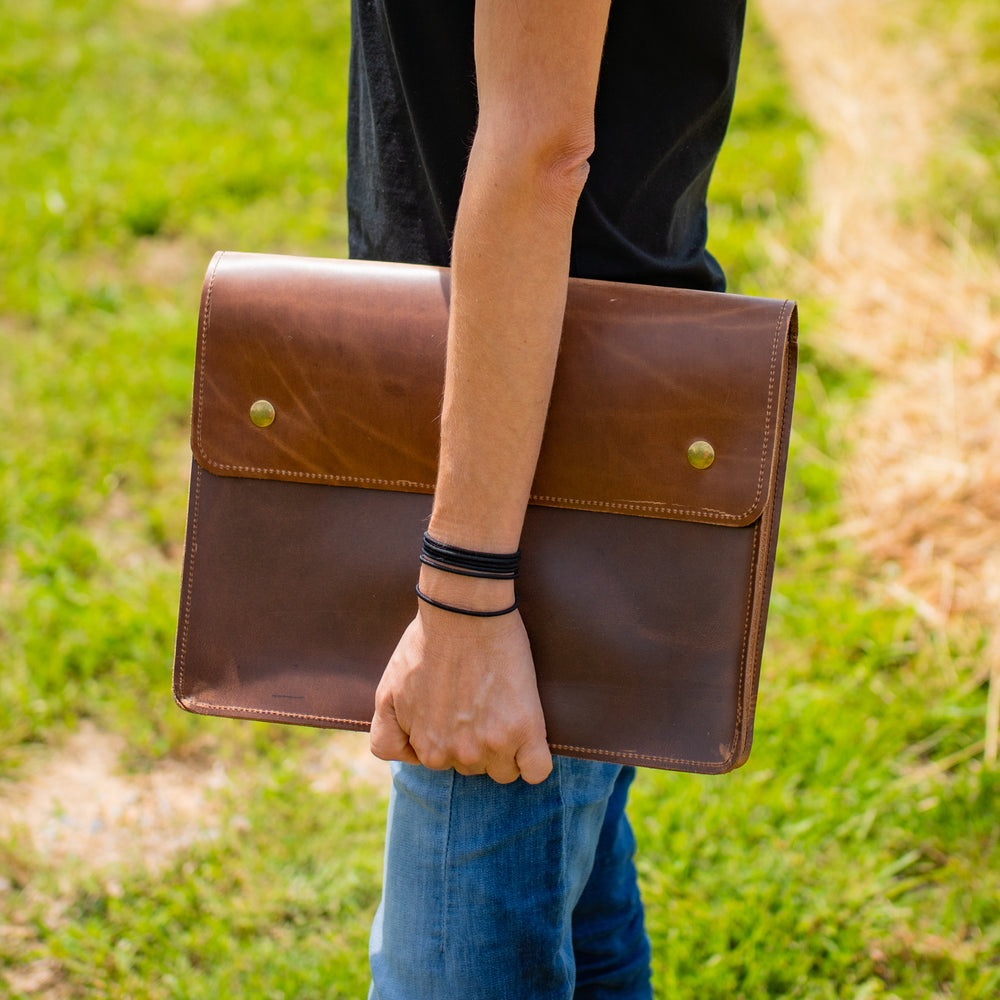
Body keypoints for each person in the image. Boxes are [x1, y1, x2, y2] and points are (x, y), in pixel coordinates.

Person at [347, 1, 747, 995]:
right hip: (537, 413)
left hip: (537, 459)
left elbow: (540, 153)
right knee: (575, 897)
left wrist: (468, 595)